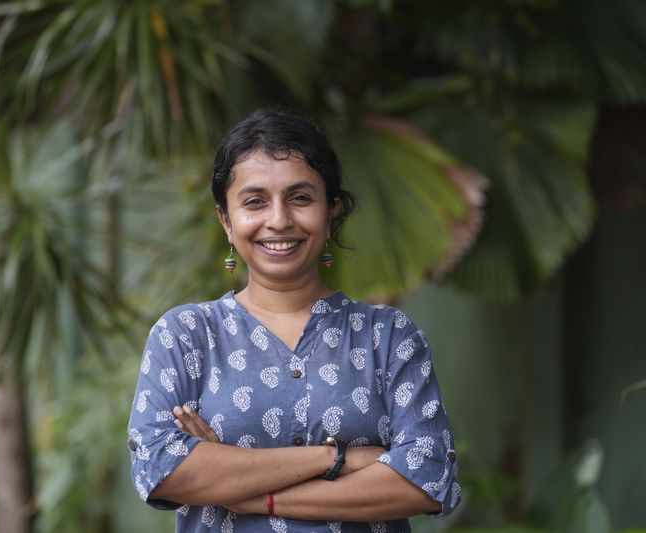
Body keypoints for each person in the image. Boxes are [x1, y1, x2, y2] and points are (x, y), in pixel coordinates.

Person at [127, 107, 460, 532]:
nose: (279, 220)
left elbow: (429, 477)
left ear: (332, 210)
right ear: (226, 221)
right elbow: (159, 469)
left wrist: (250, 494)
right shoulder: (186, 336)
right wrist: (336, 457)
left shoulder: (388, 337)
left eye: (300, 197)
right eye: (254, 202)